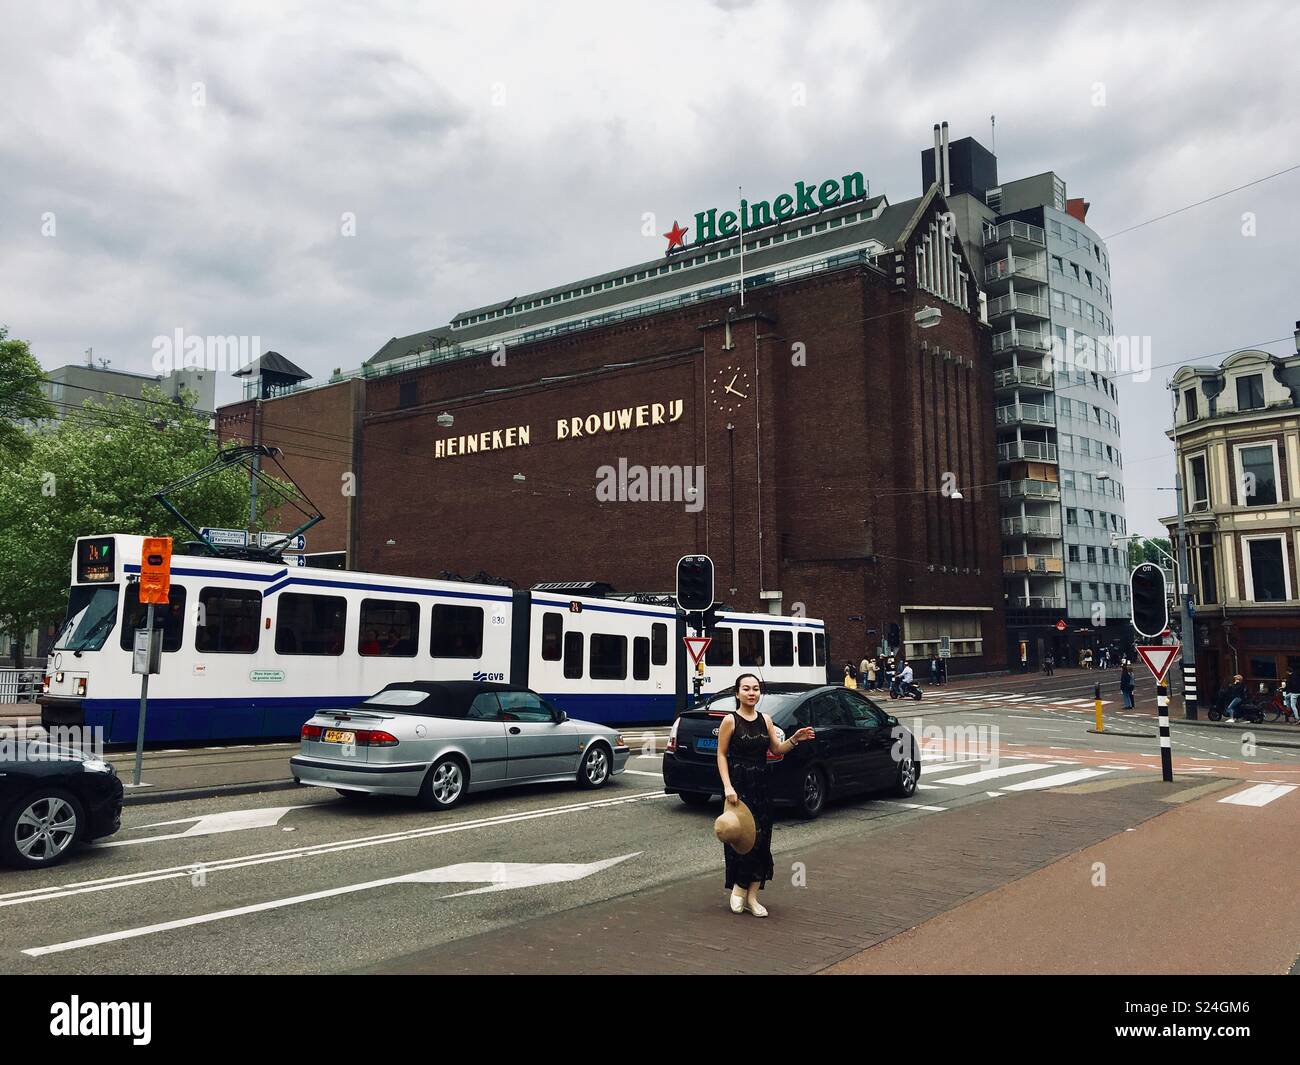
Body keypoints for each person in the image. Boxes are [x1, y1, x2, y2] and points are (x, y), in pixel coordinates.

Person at [717, 674, 814, 917]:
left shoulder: (766, 720)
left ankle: (753, 895)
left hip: (761, 785)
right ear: (737, 693)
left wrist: (794, 739)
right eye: (746, 689)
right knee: (741, 841)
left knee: (761, 840)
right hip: (739, 787)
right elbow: (721, 755)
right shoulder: (730, 721)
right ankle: (738, 889)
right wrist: (728, 787)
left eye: (756, 689)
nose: (751, 693)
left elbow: (776, 749)